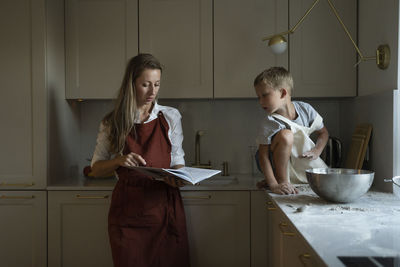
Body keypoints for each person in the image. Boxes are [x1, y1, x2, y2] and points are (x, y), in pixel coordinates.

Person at [90, 53, 190, 267]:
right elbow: (96, 169)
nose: (152, 92)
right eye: (145, 84)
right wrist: (119, 160)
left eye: (157, 84)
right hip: (128, 210)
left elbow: (177, 160)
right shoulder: (112, 122)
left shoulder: (171, 116)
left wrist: (179, 177)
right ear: (131, 84)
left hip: (164, 206)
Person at [254, 67, 329, 195]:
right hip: (272, 164)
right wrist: (273, 185)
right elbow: (263, 156)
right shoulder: (270, 122)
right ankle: (283, 180)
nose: (261, 102)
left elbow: (323, 133)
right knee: (286, 135)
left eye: (265, 95)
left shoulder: (306, 110)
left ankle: (283, 179)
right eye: (258, 97)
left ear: (283, 93)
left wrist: (317, 151)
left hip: (296, 164)